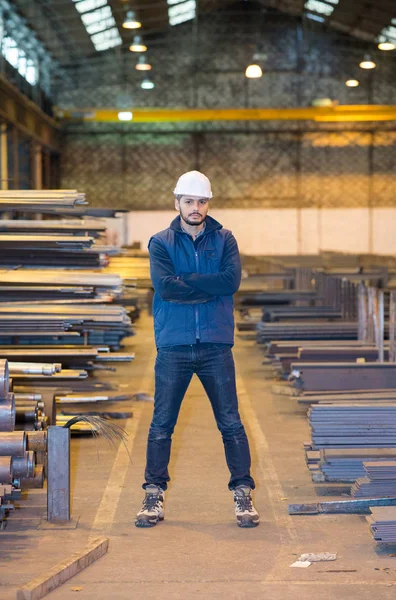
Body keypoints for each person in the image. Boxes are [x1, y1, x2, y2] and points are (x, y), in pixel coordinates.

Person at [135, 171, 259, 529]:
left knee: (231, 423)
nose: (196, 207)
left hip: (215, 346)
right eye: (189, 201)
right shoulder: (160, 242)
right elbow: (165, 287)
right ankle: (153, 495)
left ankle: (243, 494)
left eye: (201, 201)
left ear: (208, 203)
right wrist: (207, 288)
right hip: (173, 345)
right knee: (161, 425)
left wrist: (185, 280)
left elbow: (230, 282)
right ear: (177, 203)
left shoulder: (225, 240)